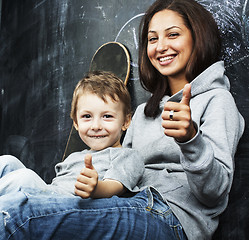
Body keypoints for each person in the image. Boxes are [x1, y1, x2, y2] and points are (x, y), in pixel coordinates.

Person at [0, 0, 245, 239]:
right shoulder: (143, 112)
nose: (160, 46)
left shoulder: (217, 100)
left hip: (169, 215)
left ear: (198, 37)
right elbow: (122, 169)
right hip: (125, 203)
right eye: (152, 38)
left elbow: (214, 193)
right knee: (9, 171)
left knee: (16, 215)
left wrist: (191, 140)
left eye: (172, 35)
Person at [0, 71, 144, 199]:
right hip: (48, 196)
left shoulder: (127, 155)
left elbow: (116, 185)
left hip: (64, 206)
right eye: (87, 116)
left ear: (126, 121)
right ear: (76, 122)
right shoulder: (74, 157)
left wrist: (96, 188)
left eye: (107, 116)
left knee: (25, 178)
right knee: (8, 161)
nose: (96, 126)